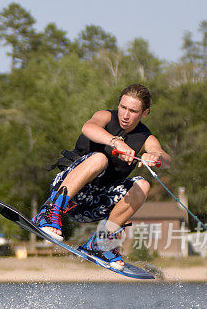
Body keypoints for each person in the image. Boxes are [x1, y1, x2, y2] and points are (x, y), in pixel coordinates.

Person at [31, 83, 171, 270]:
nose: (125, 115)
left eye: (133, 111)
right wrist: (115, 142)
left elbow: (165, 157)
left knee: (143, 185)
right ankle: (48, 213)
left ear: (145, 113)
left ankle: (101, 243)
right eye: (123, 107)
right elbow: (88, 127)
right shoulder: (105, 117)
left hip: (93, 206)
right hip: (67, 191)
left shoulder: (145, 138)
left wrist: (154, 157)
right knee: (99, 159)